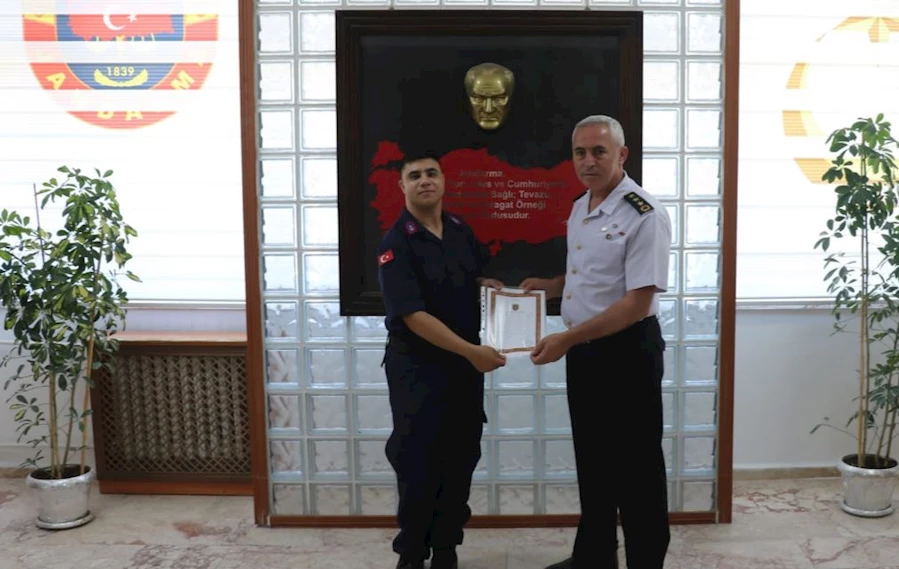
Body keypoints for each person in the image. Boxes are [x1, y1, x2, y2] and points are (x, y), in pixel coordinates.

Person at [521, 115, 672, 569]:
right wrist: (552, 286)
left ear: (621, 155)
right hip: (585, 353)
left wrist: (566, 338)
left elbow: (636, 302)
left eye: (599, 152)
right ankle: (594, 556)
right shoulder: (581, 205)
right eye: (580, 152)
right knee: (593, 460)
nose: (588, 161)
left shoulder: (645, 214)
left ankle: (646, 562)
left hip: (627, 353)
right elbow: (595, 275)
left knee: (637, 469)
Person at [377, 150, 507, 569]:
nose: (425, 180)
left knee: (461, 456)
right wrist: (472, 352)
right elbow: (413, 316)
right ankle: (413, 552)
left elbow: (470, 279)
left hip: (462, 371)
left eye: (432, 173)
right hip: (418, 371)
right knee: (417, 461)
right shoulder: (396, 244)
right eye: (415, 175)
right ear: (402, 186)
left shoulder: (459, 230)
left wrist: (487, 286)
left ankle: (447, 547)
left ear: (444, 180)